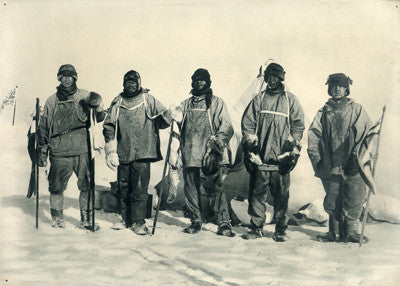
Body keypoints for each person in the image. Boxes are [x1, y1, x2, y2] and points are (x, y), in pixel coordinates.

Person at [241, 63, 305, 241]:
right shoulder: (258, 99)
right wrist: (251, 142)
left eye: (276, 77)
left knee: (281, 195)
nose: (272, 81)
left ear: (281, 79)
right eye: (269, 77)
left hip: (280, 159)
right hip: (261, 158)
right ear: (266, 79)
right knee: (257, 194)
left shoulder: (289, 100)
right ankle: (256, 227)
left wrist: (291, 143)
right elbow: (248, 124)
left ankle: (280, 229)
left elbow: (298, 124)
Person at [38, 64, 106, 230]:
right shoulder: (52, 100)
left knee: (86, 185)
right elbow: (44, 127)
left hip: (82, 149)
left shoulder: (84, 96)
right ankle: (57, 218)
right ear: (59, 78)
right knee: (56, 187)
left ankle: (86, 219)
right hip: (59, 151)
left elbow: (99, 117)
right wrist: (42, 149)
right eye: (64, 76)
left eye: (70, 76)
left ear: (75, 78)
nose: (67, 79)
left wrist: (97, 105)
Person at [103, 70, 170, 235]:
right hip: (124, 151)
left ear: (138, 83)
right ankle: (125, 219)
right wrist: (111, 148)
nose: (131, 85)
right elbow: (109, 125)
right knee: (123, 187)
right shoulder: (118, 101)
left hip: (143, 151)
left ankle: (138, 222)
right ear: (123, 84)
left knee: (139, 188)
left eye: (134, 82)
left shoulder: (148, 100)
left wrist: (169, 115)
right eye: (128, 82)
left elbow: (162, 120)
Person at [169, 68, 235, 237]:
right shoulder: (185, 104)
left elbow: (226, 126)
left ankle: (224, 223)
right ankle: (196, 220)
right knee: (191, 188)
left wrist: (217, 143)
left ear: (208, 82)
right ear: (192, 82)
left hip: (209, 155)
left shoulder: (216, 103)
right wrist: (173, 115)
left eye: (203, 80)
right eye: (196, 80)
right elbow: (176, 127)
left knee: (215, 189)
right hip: (189, 153)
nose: (199, 82)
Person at [307, 73, 371, 243]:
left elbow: (368, 134)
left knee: (354, 196)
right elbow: (314, 136)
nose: (337, 89)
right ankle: (333, 232)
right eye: (333, 86)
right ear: (329, 89)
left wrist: (361, 156)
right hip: (331, 163)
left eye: (341, 86)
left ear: (347, 89)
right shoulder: (323, 112)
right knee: (333, 197)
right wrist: (318, 160)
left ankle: (350, 232)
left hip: (352, 162)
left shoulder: (357, 110)